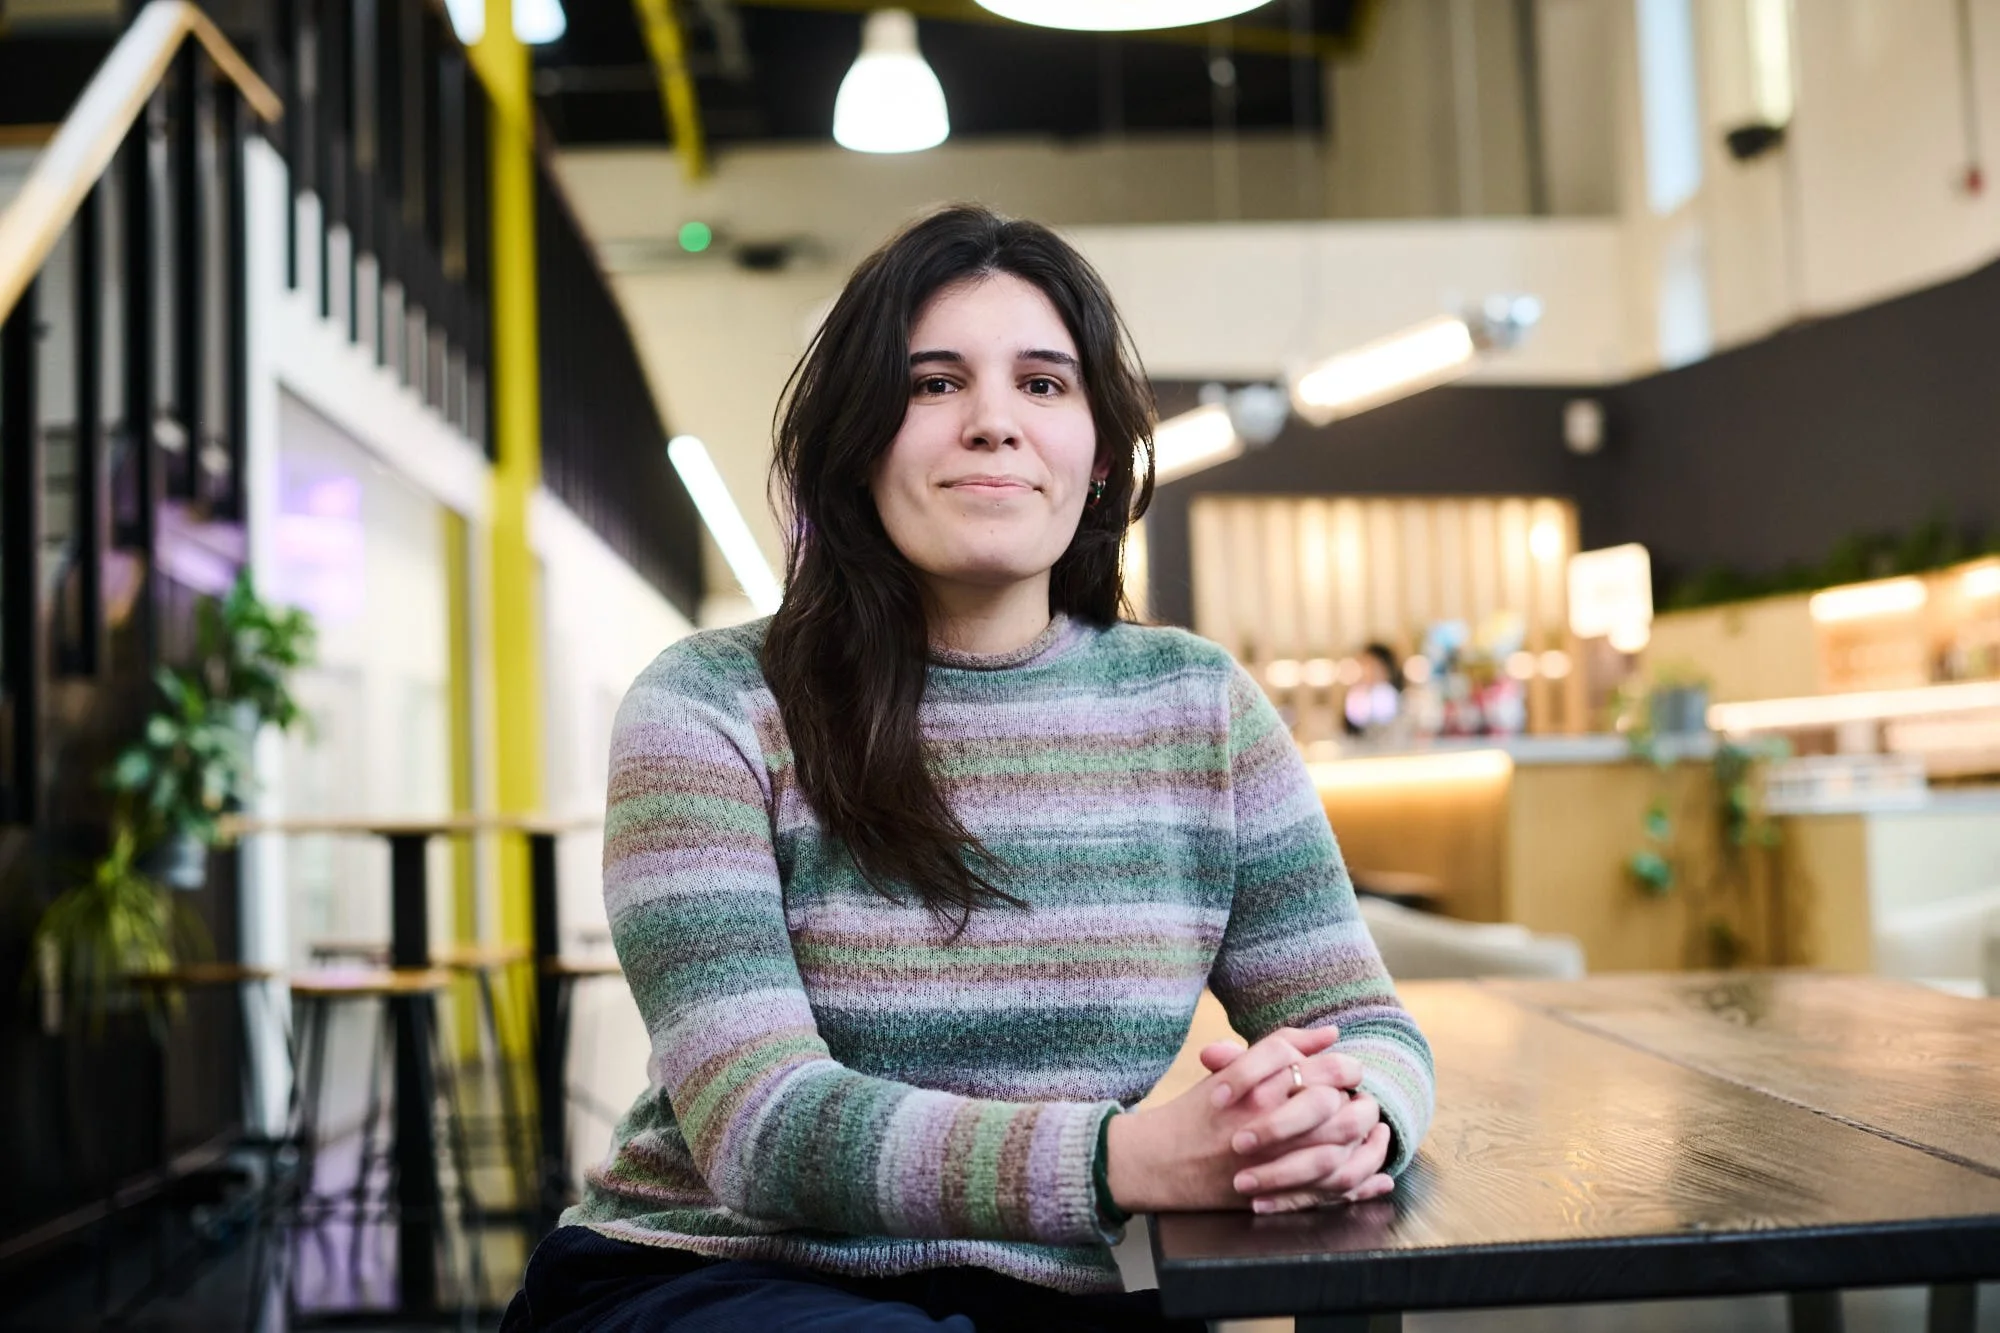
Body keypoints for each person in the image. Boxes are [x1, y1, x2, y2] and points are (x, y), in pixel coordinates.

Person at [502, 206, 1435, 1332]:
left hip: (1043, 1292)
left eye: (1043, 384)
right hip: (721, 1281)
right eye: (933, 382)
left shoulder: (1196, 707)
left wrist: (1345, 1117)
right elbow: (760, 1125)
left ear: (1098, 455)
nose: (993, 421)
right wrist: (1122, 1158)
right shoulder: (709, 702)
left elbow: (1365, 1025)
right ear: (854, 442)